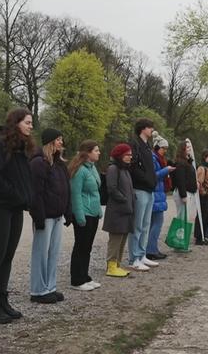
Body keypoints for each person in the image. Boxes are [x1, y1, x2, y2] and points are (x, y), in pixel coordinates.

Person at [0, 108, 34, 324]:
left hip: (15, 209)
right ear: (16, 123)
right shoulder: (0, 147)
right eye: (28, 122)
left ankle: (3, 301)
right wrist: (16, 196)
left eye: (31, 123)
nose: (31, 126)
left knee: (8, 257)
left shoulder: (22, 149)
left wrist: (25, 198)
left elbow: (22, 180)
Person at [28, 128, 71, 304]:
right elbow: (36, 193)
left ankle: (50, 287)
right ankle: (38, 290)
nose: (61, 142)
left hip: (57, 215)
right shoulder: (39, 163)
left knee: (53, 252)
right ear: (50, 142)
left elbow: (66, 190)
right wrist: (38, 216)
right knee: (40, 253)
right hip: (44, 216)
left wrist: (68, 211)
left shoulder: (59, 164)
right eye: (59, 139)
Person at [128, 118, 164, 271]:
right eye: (150, 127)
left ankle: (142, 255)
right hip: (140, 189)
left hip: (149, 190)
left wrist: (151, 180)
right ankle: (134, 258)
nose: (152, 130)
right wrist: (147, 179)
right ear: (143, 129)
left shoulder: (147, 146)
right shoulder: (134, 144)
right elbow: (134, 167)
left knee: (145, 224)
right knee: (137, 225)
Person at [68, 140, 103, 291]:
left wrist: (99, 209)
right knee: (80, 246)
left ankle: (85, 276)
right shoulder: (80, 170)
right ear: (87, 153)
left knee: (87, 247)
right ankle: (77, 280)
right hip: (84, 213)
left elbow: (96, 191)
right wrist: (79, 215)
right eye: (96, 150)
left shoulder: (92, 168)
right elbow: (75, 194)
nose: (99, 152)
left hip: (93, 213)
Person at [102, 143, 135, 278]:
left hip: (126, 210)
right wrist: (124, 200)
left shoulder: (125, 170)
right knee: (115, 238)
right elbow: (112, 188)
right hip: (117, 211)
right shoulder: (113, 168)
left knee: (123, 237)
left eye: (130, 155)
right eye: (127, 154)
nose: (129, 157)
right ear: (119, 155)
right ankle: (111, 265)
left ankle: (117, 264)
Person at [147, 132, 175, 260]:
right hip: (155, 193)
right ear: (158, 147)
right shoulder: (153, 158)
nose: (165, 151)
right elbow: (154, 175)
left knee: (155, 223)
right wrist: (166, 170)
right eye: (163, 148)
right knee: (157, 223)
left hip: (159, 193)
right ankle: (151, 250)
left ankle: (152, 248)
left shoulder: (158, 158)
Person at [172, 140, 198, 248]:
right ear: (182, 149)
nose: (189, 149)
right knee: (181, 218)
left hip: (189, 192)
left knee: (185, 218)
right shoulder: (180, 163)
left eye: (189, 147)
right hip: (183, 193)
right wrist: (183, 195)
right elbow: (180, 180)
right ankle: (178, 243)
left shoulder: (188, 162)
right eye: (187, 147)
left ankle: (182, 242)